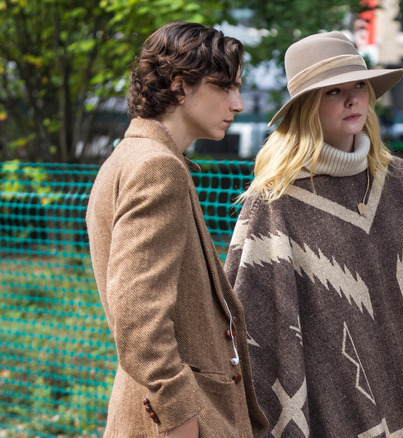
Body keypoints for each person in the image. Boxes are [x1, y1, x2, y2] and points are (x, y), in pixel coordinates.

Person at [224, 31, 403, 437]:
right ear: (305, 107)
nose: (352, 100)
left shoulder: (402, 183)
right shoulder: (276, 200)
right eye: (333, 91)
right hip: (327, 406)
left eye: (359, 86)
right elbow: (253, 327)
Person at [86, 22, 268, 437]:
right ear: (179, 86)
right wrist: (180, 413)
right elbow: (137, 315)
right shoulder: (157, 167)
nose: (237, 104)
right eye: (225, 86)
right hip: (178, 420)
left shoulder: (127, 156)